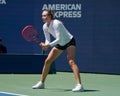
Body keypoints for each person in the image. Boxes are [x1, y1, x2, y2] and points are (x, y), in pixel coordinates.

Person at [32, 9, 84, 92]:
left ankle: (80, 85)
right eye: (42, 15)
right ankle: (42, 83)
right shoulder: (45, 26)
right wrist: (46, 45)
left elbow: (59, 39)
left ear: (50, 16)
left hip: (69, 41)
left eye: (45, 15)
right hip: (60, 43)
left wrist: (48, 45)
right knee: (47, 61)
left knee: (71, 61)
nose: (43, 17)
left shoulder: (56, 23)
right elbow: (47, 40)